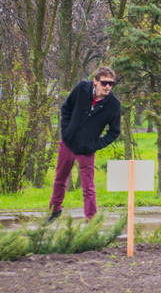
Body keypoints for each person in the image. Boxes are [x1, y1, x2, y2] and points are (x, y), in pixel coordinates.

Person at [47, 66, 121, 223]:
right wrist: (66, 132)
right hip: (67, 143)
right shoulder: (82, 88)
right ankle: (54, 210)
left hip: (86, 150)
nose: (107, 86)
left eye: (111, 83)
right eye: (104, 82)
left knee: (88, 187)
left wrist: (94, 145)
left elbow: (114, 132)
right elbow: (66, 108)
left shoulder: (113, 104)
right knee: (60, 178)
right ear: (95, 81)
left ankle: (91, 219)